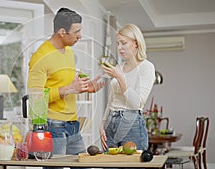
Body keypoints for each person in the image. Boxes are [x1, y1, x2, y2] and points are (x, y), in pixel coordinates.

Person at [27, 7, 105, 158]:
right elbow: (35, 99)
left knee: (83, 165)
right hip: (53, 126)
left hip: (73, 125)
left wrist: (83, 88)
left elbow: (65, 85)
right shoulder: (40, 57)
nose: (80, 36)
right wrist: (68, 89)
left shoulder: (68, 51)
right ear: (62, 32)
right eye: (76, 32)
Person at [100, 24, 155, 152]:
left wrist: (120, 78)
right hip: (110, 123)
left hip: (131, 123)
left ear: (136, 43)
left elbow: (137, 103)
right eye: (118, 43)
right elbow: (111, 99)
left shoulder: (146, 67)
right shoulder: (120, 67)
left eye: (123, 43)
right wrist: (103, 124)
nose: (119, 47)